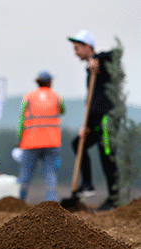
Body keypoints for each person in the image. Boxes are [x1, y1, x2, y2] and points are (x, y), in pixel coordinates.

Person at [68, 30, 119, 211]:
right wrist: (87, 125)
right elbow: (92, 99)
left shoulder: (102, 63)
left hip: (107, 117)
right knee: (77, 144)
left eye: (77, 49)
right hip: (95, 119)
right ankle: (87, 184)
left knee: (107, 156)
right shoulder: (90, 70)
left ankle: (115, 198)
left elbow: (116, 53)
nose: (75, 53)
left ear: (87, 47)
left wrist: (98, 58)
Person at [16, 70, 65, 203]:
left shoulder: (28, 97)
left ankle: (20, 200)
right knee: (50, 172)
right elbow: (63, 110)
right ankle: (51, 201)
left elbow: (21, 120)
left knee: (25, 173)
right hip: (52, 141)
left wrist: (19, 139)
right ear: (50, 82)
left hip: (30, 141)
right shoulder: (57, 96)